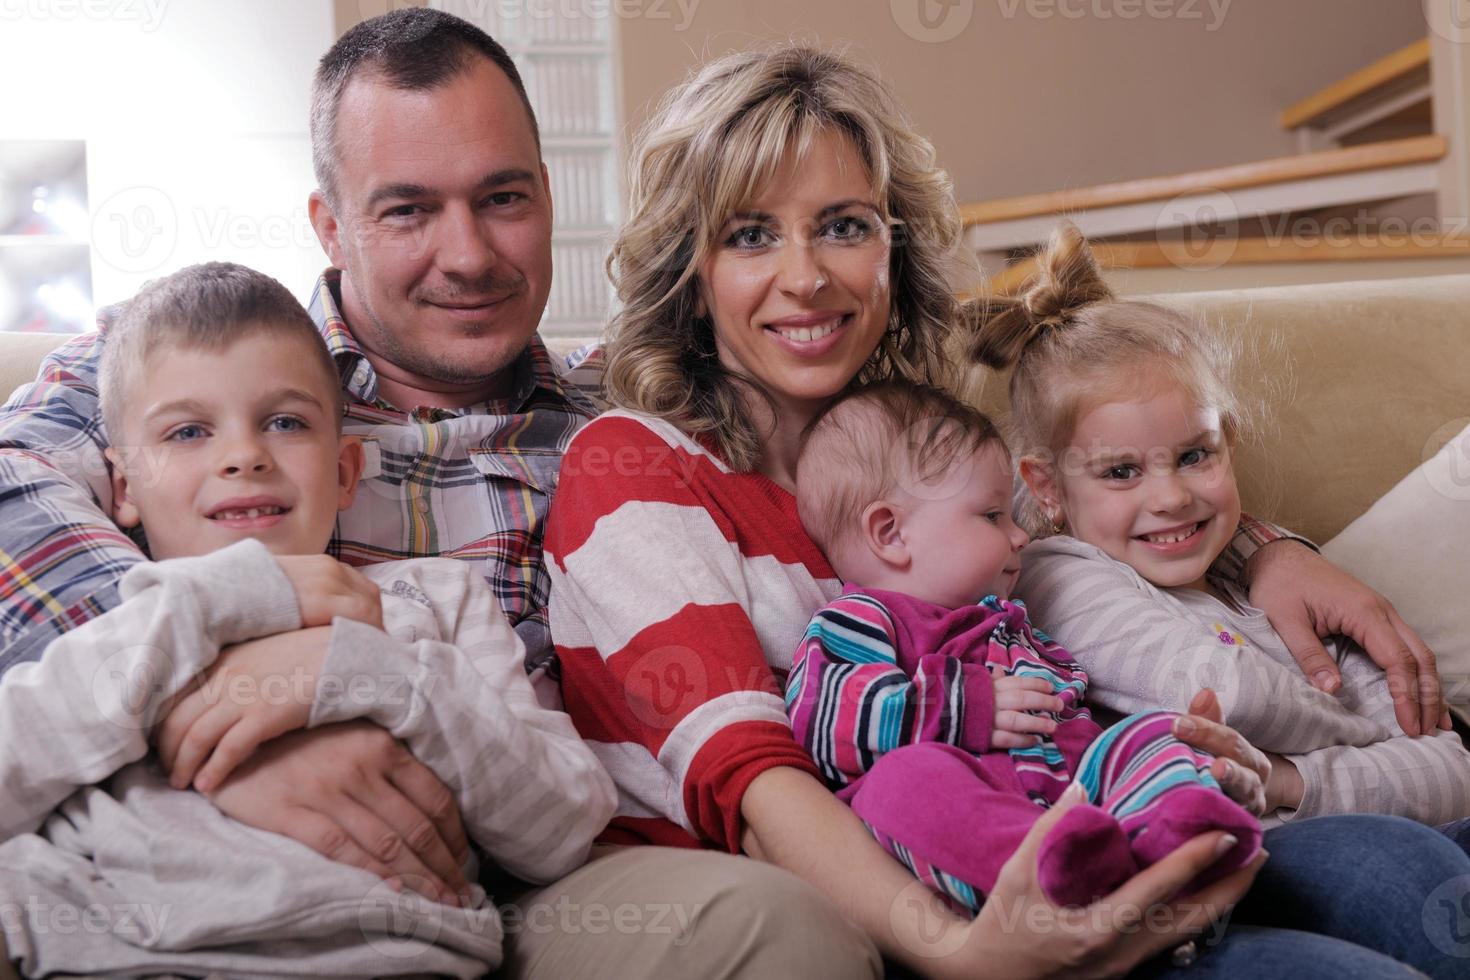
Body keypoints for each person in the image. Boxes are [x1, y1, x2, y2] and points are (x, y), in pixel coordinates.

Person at [544, 43, 1470, 978]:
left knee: (1401, 885)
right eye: (749, 235)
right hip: (897, 914)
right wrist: (968, 951)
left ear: (894, 248)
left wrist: (1270, 552)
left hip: (1079, 843)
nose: (807, 277)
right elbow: (755, 785)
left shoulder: (931, 446)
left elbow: (1122, 513)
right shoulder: (635, 469)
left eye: (844, 226)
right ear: (689, 272)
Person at [0, 11, 879, 980]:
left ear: (546, 195)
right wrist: (207, 695)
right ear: (331, 226)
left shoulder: (631, 407)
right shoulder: (203, 362)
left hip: (522, 877)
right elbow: (13, 491)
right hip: (196, 853)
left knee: (777, 926)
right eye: (408, 209)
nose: (468, 255)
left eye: (502, 198)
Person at [0, 262, 617, 976]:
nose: (244, 456)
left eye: (285, 422)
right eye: (189, 432)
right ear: (122, 485)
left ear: (346, 471)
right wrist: (224, 599)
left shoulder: (430, 603)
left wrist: (387, 677)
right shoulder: (128, 619)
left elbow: (564, 827)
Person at [972, 223, 1470, 828]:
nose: (1172, 497)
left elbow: (1452, 772)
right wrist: (1365, 740)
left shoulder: (1280, 595)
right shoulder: (1058, 576)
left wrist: (1290, 778)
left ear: (1227, 442)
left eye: (1194, 456)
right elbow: (1227, 694)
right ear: (1048, 487)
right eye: (1122, 471)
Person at [785, 380, 1260, 912]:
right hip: (971, 830)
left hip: (1069, 790)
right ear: (891, 534)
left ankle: (1180, 834)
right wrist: (969, 707)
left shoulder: (1013, 623)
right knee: (899, 785)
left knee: (1148, 733)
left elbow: (1075, 717)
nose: (1020, 537)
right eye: (992, 516)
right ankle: (1059, 869)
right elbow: (826, 720)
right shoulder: (861, 619)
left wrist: (1173, 748)